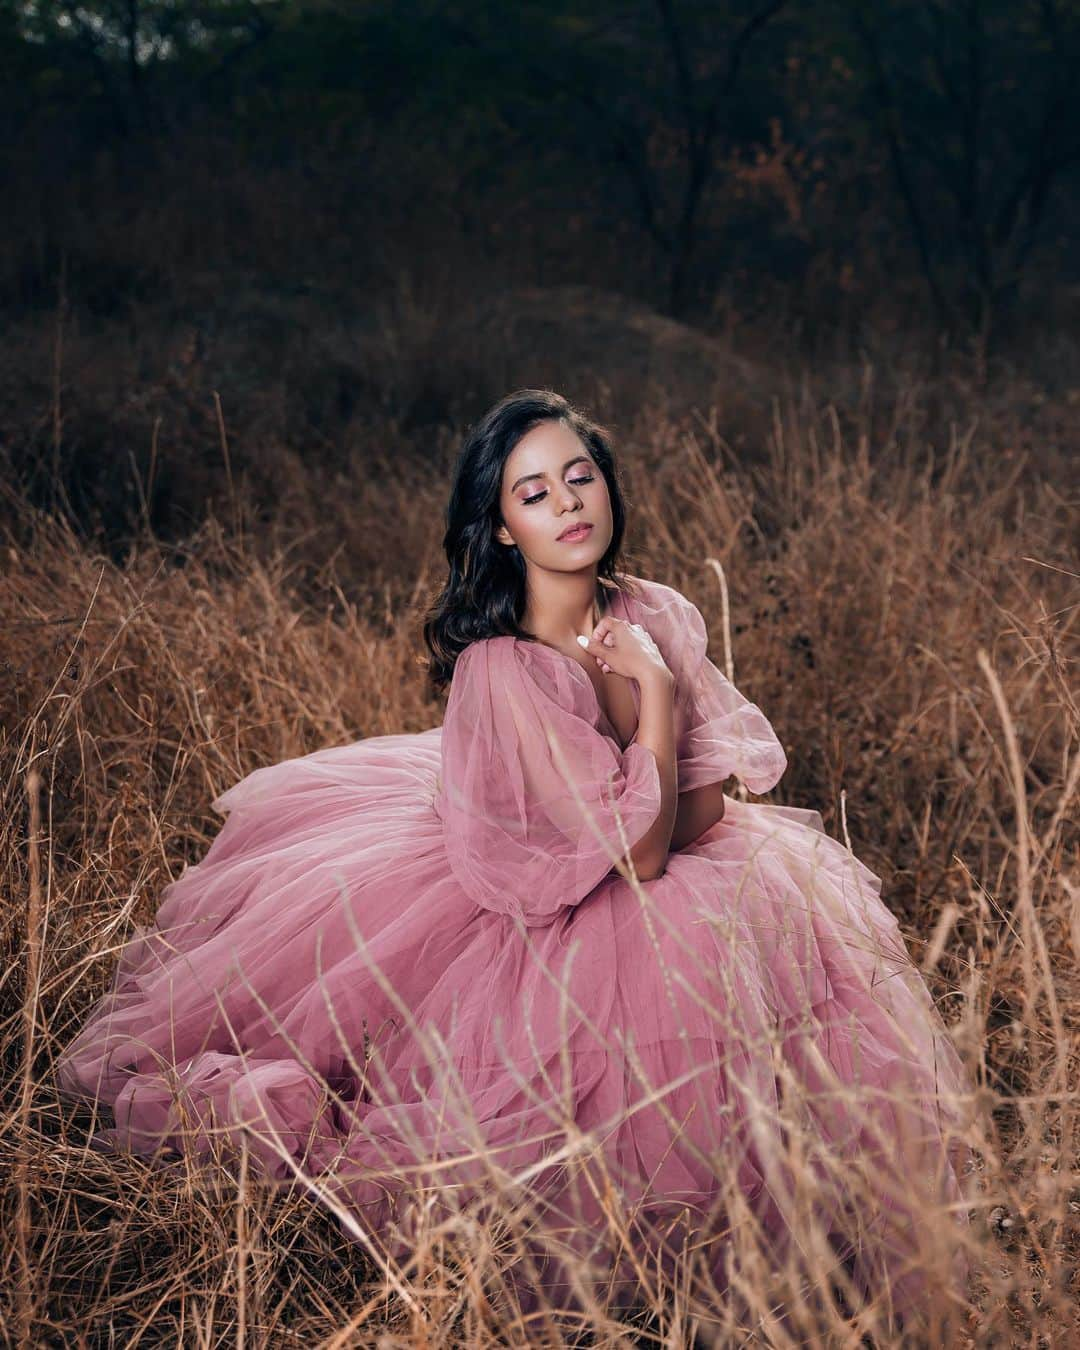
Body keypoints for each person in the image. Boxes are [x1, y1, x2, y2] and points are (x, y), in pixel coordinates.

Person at [55, 388, 973, 1332]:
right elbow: (646, 855)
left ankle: (799, 1254)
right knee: (624, 1028)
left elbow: (710, 798)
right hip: (536, 888)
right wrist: (651, 694)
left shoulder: (653, 608)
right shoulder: (504, 668)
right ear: (498, 529)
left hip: (649, 852)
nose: (568, 504)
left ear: (609, 491)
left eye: (580, 478)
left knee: (774, 961)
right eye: (533, 493)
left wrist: (649, 782)